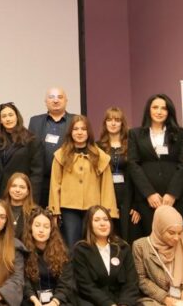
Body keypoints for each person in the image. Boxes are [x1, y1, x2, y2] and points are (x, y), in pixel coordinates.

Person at [49, 115, 118, 248]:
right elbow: (55, 184)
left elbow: (107, 187)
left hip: (94, 209)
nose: (79, 132)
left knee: (93, 245)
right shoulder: (60, 155)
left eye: (83, 129)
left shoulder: (100, 156)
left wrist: (107, 213)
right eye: (75, 129)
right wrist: (54, 211)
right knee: (71, 245)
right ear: (70, 132)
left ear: (89, 132)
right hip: (68, 209)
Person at [126, 94, 183, 236]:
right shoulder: (135, 134)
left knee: (174, 239)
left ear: (169, 111)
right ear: (148, 110)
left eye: (164, 108)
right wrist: (149, 193)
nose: (159, 112)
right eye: (155, 107)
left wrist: (172, 193)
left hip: (175, 199)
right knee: (152, 239)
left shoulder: (181, 134)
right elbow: (133, 164)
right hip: (147, 200)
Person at [132, 205, 183, 306]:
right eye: (171, 233)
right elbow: (141, 279)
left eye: (180, 233)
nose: (176, 238)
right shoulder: (140, 246)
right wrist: (164, 298)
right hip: (154, 299)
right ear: (159, 229)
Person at [71, 205, 139, 306]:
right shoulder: (81, 250)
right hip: (93, 302)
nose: (102, 223)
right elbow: (86, 286)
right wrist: (109, 304)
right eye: (97, 220)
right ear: (89, 224)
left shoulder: (123, 248)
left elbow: (131, 283)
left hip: (122, 302)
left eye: (106, 219)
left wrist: (124, 303)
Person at [28, 88, 74, 208]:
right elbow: (29, 151)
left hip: (67, 180)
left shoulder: (76, 120)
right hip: (41, 181)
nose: (55, 100)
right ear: (45, 101)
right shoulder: (35, 121)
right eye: (51, 97)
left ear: (66, 100)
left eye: (60, 97)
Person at [98, 107, 138, 242]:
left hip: (128, 196)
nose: (113, 123)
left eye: (117, 120)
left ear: (122, 123)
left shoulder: (131, 145)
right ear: (105, 123)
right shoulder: (98, 146)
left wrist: (136, 205)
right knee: (108, 235)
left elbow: (137, 174)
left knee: (127, 236)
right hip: (106, 194)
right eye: (109, 120)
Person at [22, 207, 75, 306]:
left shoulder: (63, 253)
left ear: (51, 230)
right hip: (32, 301)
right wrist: (35, 301)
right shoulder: (23, 252)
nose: (41, 230)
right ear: (30, 228)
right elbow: (24, 282)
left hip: (58, 302)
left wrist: (54, 303)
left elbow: (66, 284)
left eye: (46, 226)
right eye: (37, 225)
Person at [0, 103, 42, 202]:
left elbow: (37, 174)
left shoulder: (31, 140)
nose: (8, 119)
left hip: (21, 192)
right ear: (0, 120)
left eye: (11, 115)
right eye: (4, 116)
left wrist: (33, 199)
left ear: (17, 117)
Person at [1, 173, 35, 242]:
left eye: (22, 187)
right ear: (8, 188)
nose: (17, 190)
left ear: (28, 191)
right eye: (14, 186)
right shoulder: (0, 208)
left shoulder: (34, 212)